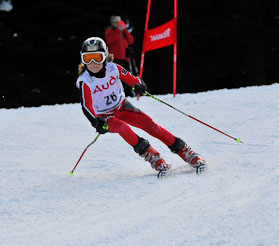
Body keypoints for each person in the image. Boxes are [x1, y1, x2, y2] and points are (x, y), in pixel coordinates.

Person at [75, 37, 206, 176]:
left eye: (97, 57)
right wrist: (96, 122)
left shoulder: (113, 68)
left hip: (123, 107)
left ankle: (186, 152)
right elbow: (86, 106)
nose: (93, 63)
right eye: (88, 58)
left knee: (150, 125)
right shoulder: (85, 81)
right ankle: (153, 157)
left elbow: (131, 79)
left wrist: (138, 85)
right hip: (105, 116)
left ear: (105, 56)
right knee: (122, 128)